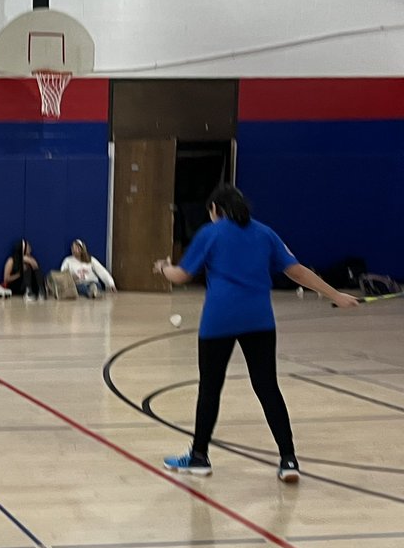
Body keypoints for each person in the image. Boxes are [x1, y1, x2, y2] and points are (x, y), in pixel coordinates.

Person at [154, 184, 359, 483]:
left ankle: (198, 457)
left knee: (210, 389)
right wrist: (336, 294)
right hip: (259, 320)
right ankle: (288, 459)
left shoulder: (210, 233)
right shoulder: (265, 233)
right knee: (267, 387)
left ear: (216, 210)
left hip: (219, 320)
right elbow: (297, 271)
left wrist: (163, 267)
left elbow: (182, 275)